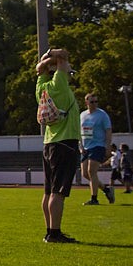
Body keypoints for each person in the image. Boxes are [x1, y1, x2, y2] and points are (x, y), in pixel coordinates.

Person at [35, 48, 80, 243]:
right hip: (65, 143)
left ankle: (49, 231)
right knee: (58, 192)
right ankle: (55, 233)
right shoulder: (59, 85)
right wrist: (54, 55)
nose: (70, 75)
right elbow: (63, 56)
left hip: (49, 143)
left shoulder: (41, 87)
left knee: (48, 192)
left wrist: (44, 61)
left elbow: (40, 70)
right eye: (70, 72)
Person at [79, 93, 114, 206]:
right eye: (92, 102)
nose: (94, 104)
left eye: (96, 102)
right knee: (85, 174)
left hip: (98, 145)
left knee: (91, 171)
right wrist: (80, 146)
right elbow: (79, 131)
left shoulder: (102, 115)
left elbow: (108, 130)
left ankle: (94, 199)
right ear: (86, 102)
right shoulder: (82, 115)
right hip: (86, 147)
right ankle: (106, 190)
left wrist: (107, 146)